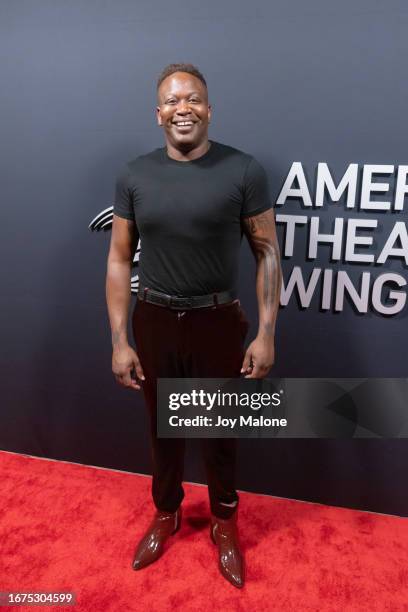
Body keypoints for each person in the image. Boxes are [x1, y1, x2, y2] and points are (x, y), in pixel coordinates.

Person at [105, 63, 281, 589]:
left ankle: (225, 521)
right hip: (154, 318)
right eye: (173, 100)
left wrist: (267, 331)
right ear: (158, 113)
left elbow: (267, 253)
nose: (184, 108)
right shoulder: (134, 174)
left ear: (209, 109)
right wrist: (120, 340)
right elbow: (118, 260)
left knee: (220, 430)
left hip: (217, 320)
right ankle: (167, 513)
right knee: (164, 430)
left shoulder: (243, 171)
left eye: (194, 99)